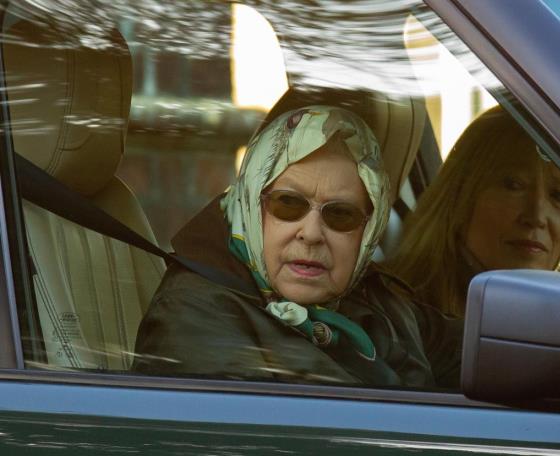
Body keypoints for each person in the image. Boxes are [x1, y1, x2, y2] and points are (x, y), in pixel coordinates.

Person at [132, 105, 462, 388]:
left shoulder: (373, 298)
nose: (312, 233)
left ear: (367, 230)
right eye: (288, 204)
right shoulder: (194, 314)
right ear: (251, 208)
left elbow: (472, 349)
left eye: (341, 214)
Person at [388, 105, 560, 317]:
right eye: (513, 185)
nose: (536, 216)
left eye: (559, 196)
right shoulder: (394, 316)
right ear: (462, 196)